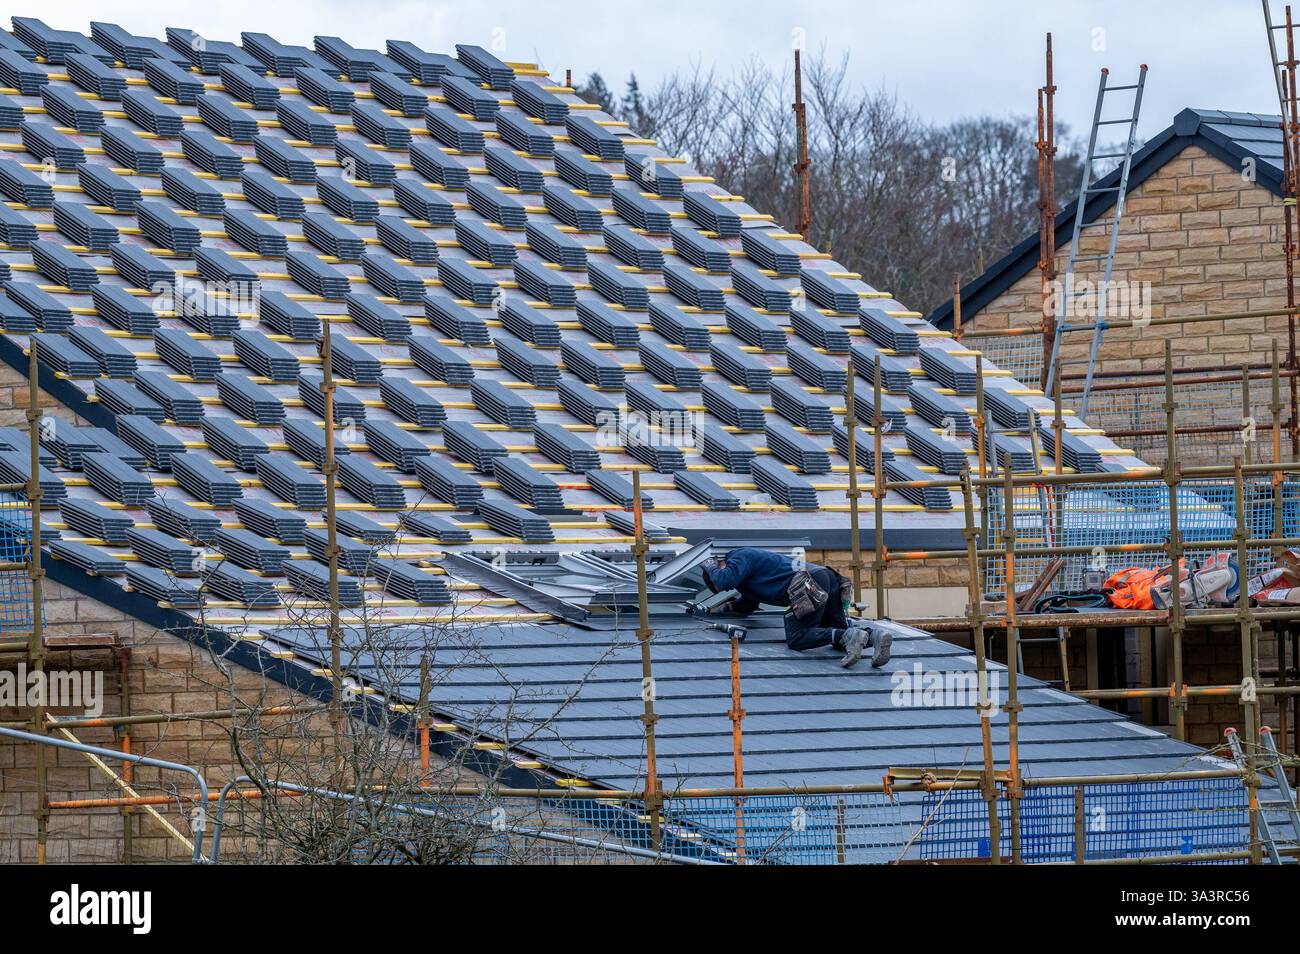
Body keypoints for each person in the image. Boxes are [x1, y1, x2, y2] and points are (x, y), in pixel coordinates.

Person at [699, 547, 892, 669]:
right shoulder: (746, 578)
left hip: (808, 583)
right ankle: (874, 636)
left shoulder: (740, 556)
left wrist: (708, 564)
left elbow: (723, 579)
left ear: (720, 565)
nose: (728, 586)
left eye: (722, 582)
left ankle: (849, 636)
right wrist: (717, 610)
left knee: (798, 637)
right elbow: (747, 604)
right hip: (825, 578)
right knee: (838, 637)